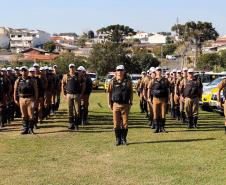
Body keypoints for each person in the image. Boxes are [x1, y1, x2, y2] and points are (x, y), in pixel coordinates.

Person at [108, 65, 133, 146]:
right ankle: (118, 139)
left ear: (124, 71)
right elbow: (110, 93)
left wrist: (130, 102)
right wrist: (109, 103)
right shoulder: (112, 81)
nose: (119, 72)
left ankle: (124, 139)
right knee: (116, 123)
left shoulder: (128, 81)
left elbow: (131, 92)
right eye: (118, 70)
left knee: (125, 123)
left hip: (125, 104)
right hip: (116, 104)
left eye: (121, 70)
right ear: (116, 71)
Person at [14, 66, 38, 134]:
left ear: (28, 72)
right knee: (24, 115)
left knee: (31, 114)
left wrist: (35, 99)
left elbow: (36, 90)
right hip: (21, 99)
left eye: (25, 71)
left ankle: (31, 129)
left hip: (30, 99)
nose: (23, 72)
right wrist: (15, 99)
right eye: (22, 71)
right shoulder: (18, 80)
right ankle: (25, 129)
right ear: (21, 72)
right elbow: (15, 90)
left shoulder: (32, 80)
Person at [62, 64, 85, 131]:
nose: (72, 69)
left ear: (74, 68)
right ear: (69, 68)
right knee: (70, 110)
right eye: (70, 67)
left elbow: (83, 84)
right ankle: (71, 124)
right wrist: (64, 94)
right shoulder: (66, 76)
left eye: (73, 67)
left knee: (77, 110)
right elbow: (63, 84)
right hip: (69, 95)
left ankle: (76, 124)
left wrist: (81, 93)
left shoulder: (78, 75)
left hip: (77, 95)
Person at [147, 67, 170, 133]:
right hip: (155, 99)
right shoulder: (153, 80)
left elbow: (168, 90)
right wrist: (148, 97)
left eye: (160, 70)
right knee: (155, 113)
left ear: (161, 72)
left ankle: (162, 127)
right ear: (155, 72)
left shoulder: (165, 80)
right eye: (157, 70)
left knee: (163, 114)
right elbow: (149, 88)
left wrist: (169, 98)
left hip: (163, 99)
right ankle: (157, 128)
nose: (159, 71)